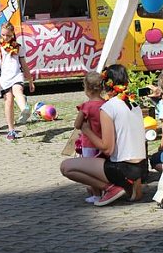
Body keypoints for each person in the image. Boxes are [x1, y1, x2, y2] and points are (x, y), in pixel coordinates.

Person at [60, 64, 147, 206]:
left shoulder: (109, 107)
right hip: (141, 167)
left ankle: (111, 188)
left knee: (66, 167)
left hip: (122, 168)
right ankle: (132, 184)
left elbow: (107, 148)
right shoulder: (134, 103)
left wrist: (86, 130)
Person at [0, 22, 35, 141]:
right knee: (8, 101)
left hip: (17, 75)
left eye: (8, 35)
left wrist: (30, 80)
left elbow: (24, 65)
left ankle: (24, 109)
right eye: (3, 35)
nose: (5, 38)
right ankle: (11, 130)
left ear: (13, 34)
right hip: (4, 78)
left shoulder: (18, 47)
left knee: (18, 91)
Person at [73, 71, 105, 203]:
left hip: (89, 143)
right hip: (104, 141)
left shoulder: (86, 106)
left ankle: (97, 195)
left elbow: (77, 124)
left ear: (87, 89)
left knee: (90, 170)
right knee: (101, 168)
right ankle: (104, 191)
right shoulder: (106, 104)